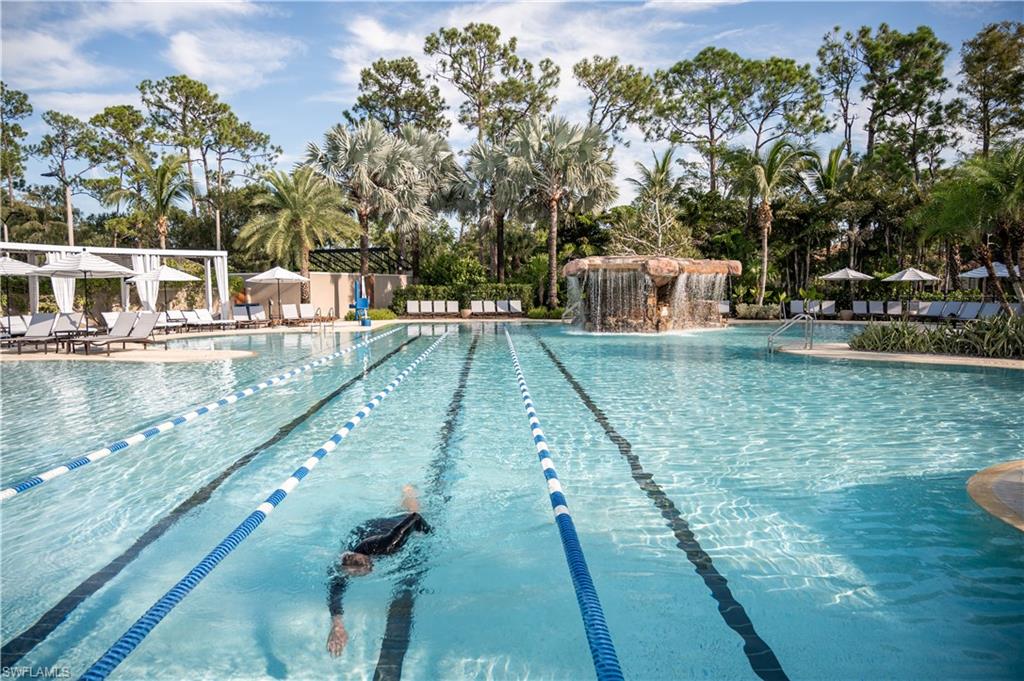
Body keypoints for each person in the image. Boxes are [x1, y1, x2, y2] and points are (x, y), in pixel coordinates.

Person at [327, 485, 431, 656]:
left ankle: (408, 491)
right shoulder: (344, 562)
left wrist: (429, 533)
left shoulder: (389, 545)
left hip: (387, 528)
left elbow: (415, 519)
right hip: (364, 530)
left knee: (412, 511)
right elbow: (335, 591)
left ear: (370, 567)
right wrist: (337, 624)